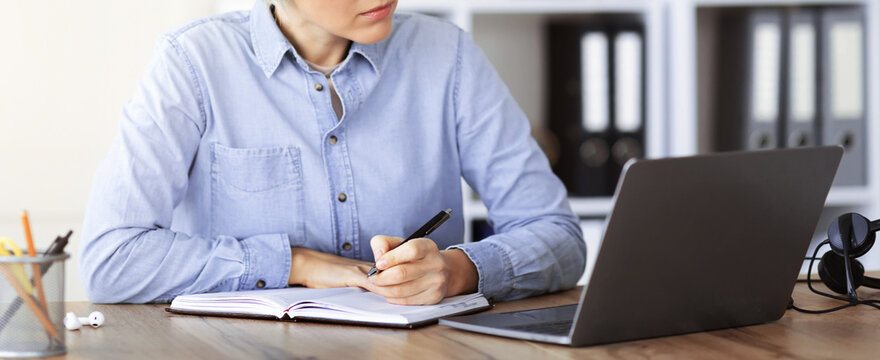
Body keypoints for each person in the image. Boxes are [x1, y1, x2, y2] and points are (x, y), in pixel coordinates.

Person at [80, 0, 585, 304]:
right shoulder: (193, 63)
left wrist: (458, 271)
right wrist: (293, 264)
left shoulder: (447, 55)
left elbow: (557, 236)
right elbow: (112, 260)